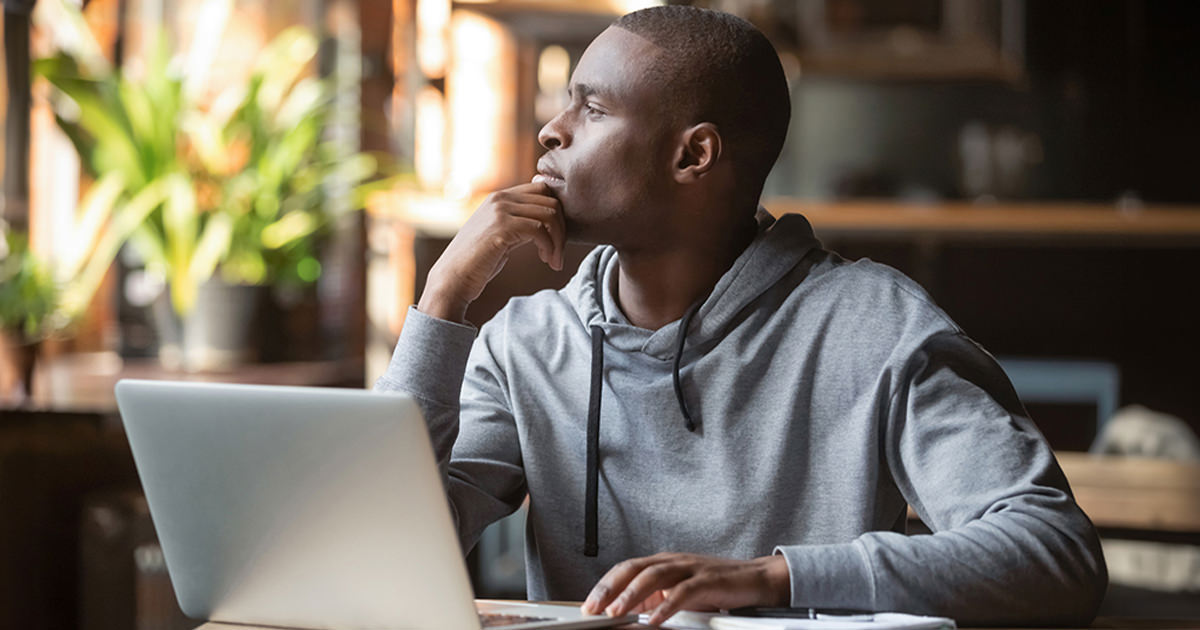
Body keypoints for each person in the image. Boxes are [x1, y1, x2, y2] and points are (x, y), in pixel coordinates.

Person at [375, 6, 1107, 626]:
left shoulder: (874, 326)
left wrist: (774, 579)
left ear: (694, 156)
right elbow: (381, 545)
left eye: (592, 108)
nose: (552, 131)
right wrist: (443, 298)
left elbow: (1054, 549)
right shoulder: (525, 345)